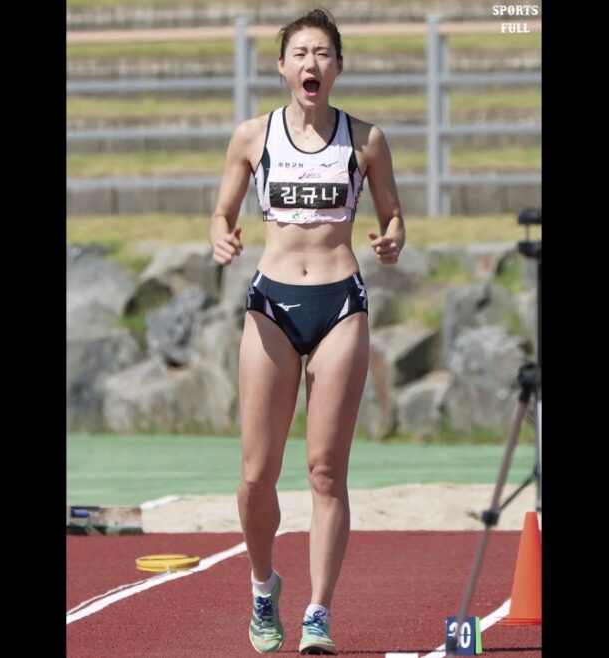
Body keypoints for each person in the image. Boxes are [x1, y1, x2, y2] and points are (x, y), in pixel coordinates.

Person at [208, 7, 405, 656]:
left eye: (323, 53)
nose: (311, 63)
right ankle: (266, 586)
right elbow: (223, 210)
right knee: (256, 475)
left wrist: (393, 237)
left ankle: (318, 613)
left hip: (340, 305)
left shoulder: (366, 140)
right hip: (270, 303)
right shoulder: (251, 136)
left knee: (325, 471)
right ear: (282, 66)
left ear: (338, 67)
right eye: (300, 53)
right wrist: (221, 232)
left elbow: (392, 215)